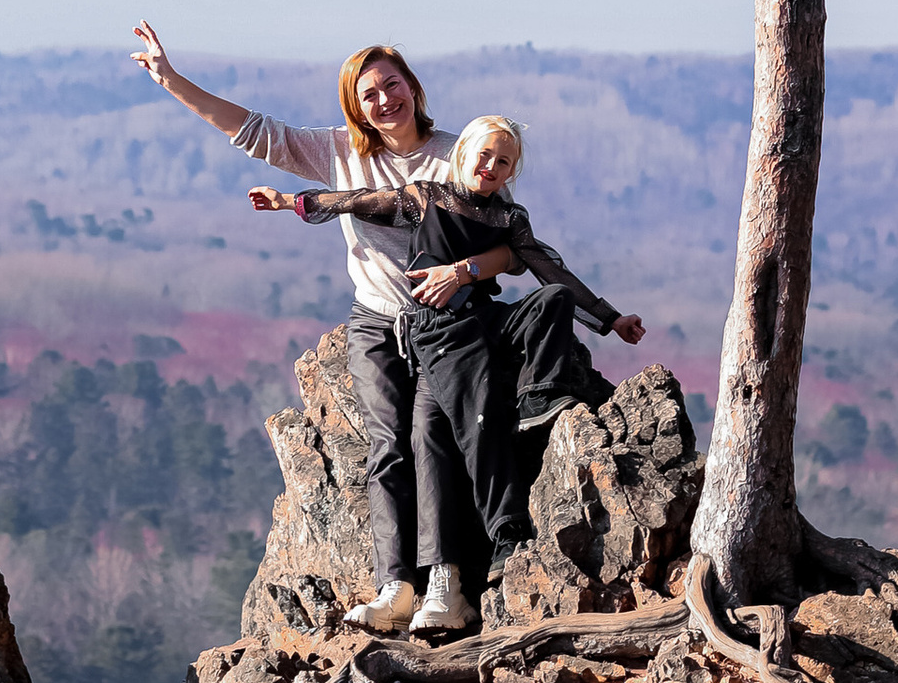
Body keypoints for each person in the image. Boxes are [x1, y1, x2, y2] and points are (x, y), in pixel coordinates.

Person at [131, 20, 500, 632]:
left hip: (447, 326)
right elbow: (252, 132)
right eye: (368, 94)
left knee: (432, 444)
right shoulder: (342, 152)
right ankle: (395, 586)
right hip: (375, 323)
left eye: (392, 84)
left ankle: (447, 584)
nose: (385, 100)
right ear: (355, 108)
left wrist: (461, 272)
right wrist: (172, 80)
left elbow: (511, 247)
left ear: (413, 85)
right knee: (385, 449)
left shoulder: (458, 155)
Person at [250, 112, 642, 606]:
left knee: (554, 298)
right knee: (475, 422)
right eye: (484, 155)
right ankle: (504, 535)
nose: (492, 167)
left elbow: (548, 267)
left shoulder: (509, 218)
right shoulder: (428, 198)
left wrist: (611, 319)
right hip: (440, 331)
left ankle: (539, 398)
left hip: (485, 316)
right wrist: (292, 202)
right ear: (462, 155)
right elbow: (357, 200)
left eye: (504, 162)